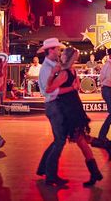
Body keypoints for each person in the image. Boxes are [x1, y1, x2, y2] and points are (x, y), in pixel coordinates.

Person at [46, 47, 111, 187]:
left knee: (80, 140)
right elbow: (75, 86)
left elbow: (49, 89)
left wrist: (52, 75)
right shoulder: (72, 71)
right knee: (80, 139)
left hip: (69, 109)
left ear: (65, 57)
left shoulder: (64, 73)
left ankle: (97, 166)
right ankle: (97, 167)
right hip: (74, 106)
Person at [36, 38, 79, 186]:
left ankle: (44, 168)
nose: (60, 52)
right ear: (50, 50)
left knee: (58, 140)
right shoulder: (47, 69)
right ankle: (51, 175)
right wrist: (71, 88)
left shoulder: (54, 66)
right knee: (60, 140)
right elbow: (49, 92)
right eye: (58, 49)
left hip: (56, 105)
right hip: (54, 105)